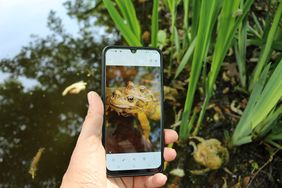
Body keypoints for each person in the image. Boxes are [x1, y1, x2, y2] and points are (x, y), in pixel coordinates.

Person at [61, 91, 178, 187]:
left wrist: (147, 137)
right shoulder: (114, 106)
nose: (117, 99)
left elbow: (146, 127)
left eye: (130, 99)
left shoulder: (139, 110)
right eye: (115, 95)